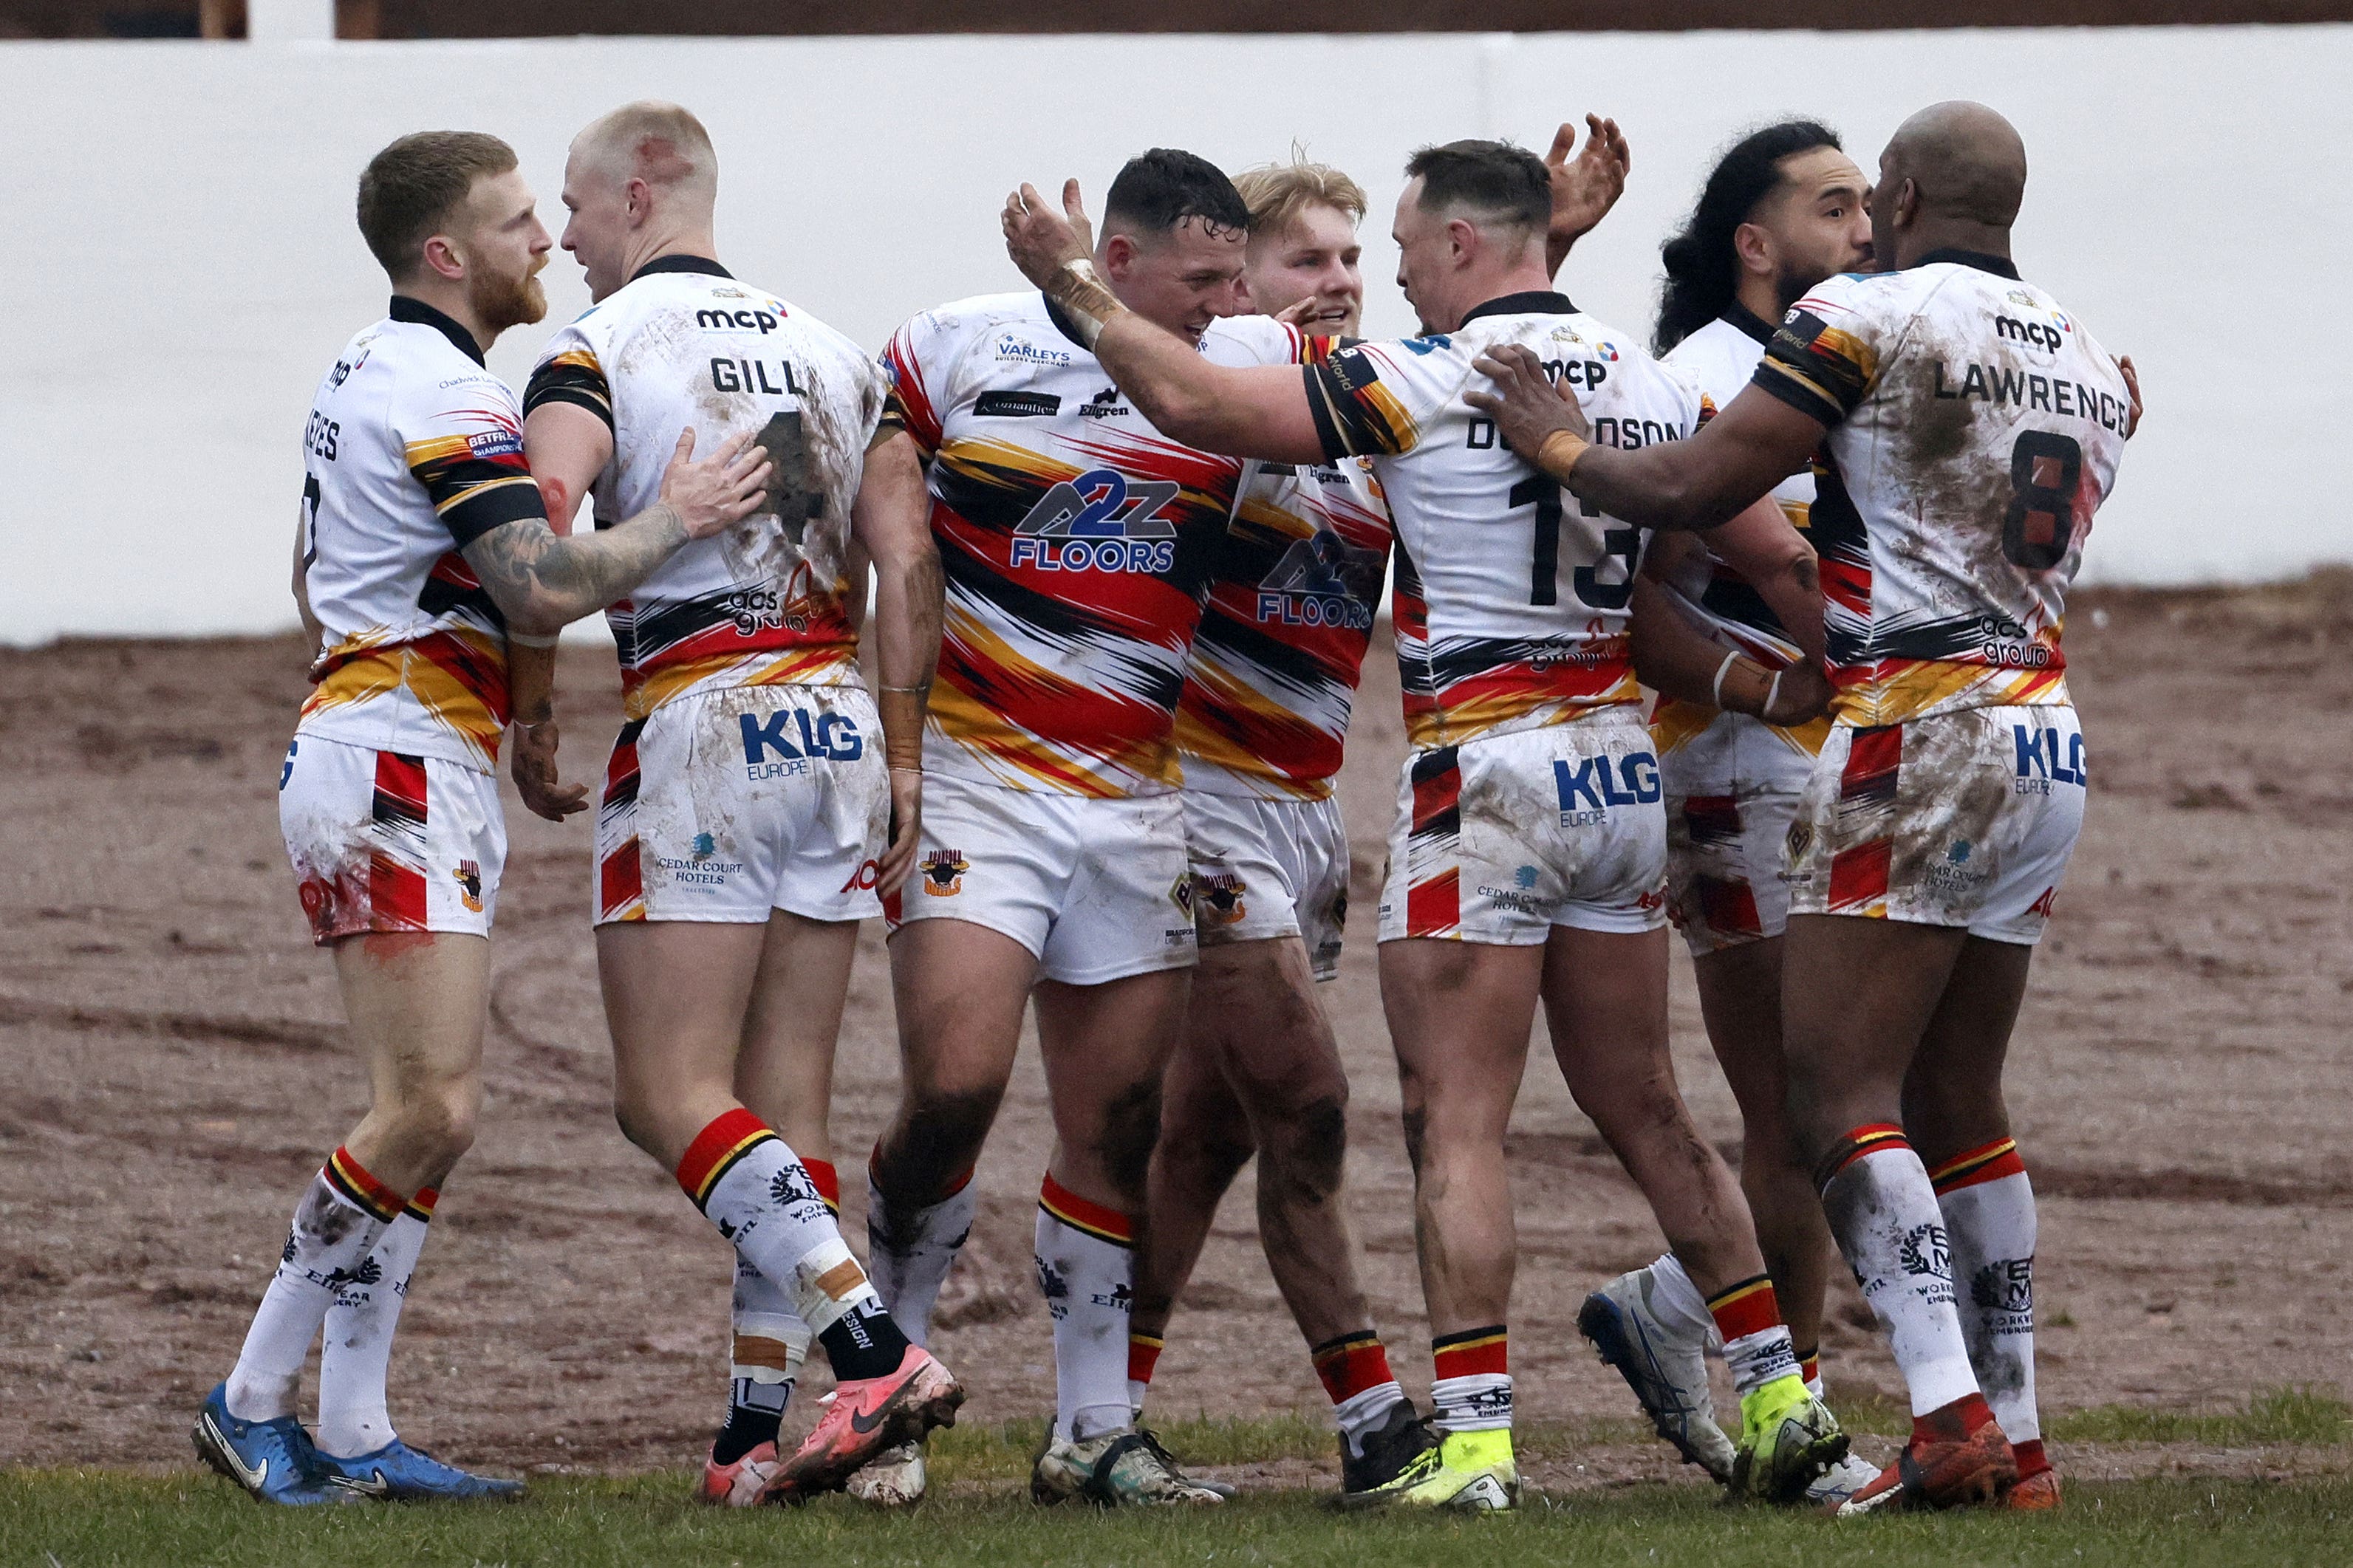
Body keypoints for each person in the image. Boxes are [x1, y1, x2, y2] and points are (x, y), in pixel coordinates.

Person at [1000, 136, 1848, 1512]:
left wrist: (1071, 285)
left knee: (1452, 1120)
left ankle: (1468, 1444)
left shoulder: (1409, 380)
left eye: (1389, 248)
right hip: (1615, 768)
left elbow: (1203, 402)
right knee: (1645, 1106)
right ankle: (1783, 1399)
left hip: (1486, 771)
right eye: (1331, 261)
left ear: (1454, 246)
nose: (1371, 275)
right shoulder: (1635, 373)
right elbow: (1741, 531)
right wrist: (1817, 678)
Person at [1462, 100, 2137, 1514]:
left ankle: (1943, 1416)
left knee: (1831, 1099)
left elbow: (1699, 483)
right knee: (1962, 1097)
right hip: (2043, 726)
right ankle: (2015, 1441)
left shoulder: (1866, 319)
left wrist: (1563, 447)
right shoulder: (2087, 353)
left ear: (1895, 191)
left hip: (1910, 724)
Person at [196, 129, 773, 1505]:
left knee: (436, 1115)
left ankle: (352, 1427)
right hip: (393, 765)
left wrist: (473, 704)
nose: (547, 243)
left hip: (401, 748)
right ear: (447, 254)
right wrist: (678, 516)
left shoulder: (370, 368)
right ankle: (247, 1396)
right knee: (427, 1105)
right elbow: (541, 585)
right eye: (519, 224)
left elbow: (308, 569)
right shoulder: (446, 392)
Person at [1126, 129, 1632, 1507]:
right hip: (1200, 797)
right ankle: (1371, 1418)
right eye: (1310, 259)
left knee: (1201, 1133)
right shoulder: (1241, 383)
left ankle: (1099, 1406)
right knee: (1306, 1104)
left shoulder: (1364, 407)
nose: (1343, 280)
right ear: (1237, 283)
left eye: (1359, 256)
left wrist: (1550, 248)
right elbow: (1185, 414)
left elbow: (1480, 363)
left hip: (1299, 804)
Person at [518, 100, 957, 1507]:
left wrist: (532, 699)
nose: (565, 239)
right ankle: (747, 1442)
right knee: (787, 1106)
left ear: (639, 195)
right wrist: (900, 756)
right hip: (834, 721)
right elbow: (905, 557)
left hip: (702, 718)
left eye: (577, 211)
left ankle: (874, 1352)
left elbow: (536, 541)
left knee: (669, 1099)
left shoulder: (594, 351)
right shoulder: (837, 352)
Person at [1573, 120, 1880, 1507]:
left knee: (1836, 1097)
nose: (1864, 225)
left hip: (1826, 763)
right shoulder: (1706, 375)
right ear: (1753, 244)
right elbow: (1722, 581)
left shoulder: (1851, 358)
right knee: (1792, 1105)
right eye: (1832, 206)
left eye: (1869, 201)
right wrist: (1809, 679)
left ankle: (1681, 1311)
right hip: (1735, 773)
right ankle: (1790, 1403)